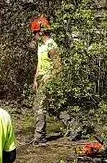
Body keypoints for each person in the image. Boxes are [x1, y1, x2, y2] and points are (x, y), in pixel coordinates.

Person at [31, 17, 82, 145]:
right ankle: (75, 127)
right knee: (55, 107)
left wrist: (49, 79)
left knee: (39, 107)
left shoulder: (51, 46)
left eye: (35, 32)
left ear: (41, 32)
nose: (34, 35)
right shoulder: (41, 45)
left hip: (50, 81)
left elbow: (58, 67)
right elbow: (40, 63)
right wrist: (35, 79)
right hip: (42, 80)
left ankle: (39, 136)